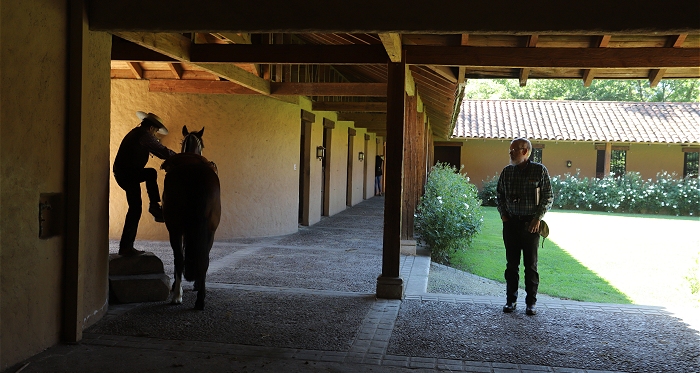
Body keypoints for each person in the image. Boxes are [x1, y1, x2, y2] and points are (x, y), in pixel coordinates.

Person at [496, 138, 553, 315]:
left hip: (531, 225)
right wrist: (504, 216)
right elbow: (499, 195)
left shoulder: (539, 170)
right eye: (510, 150)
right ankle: (510, 301)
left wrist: (538, 218)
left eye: (514, 150)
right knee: (511, 265)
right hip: (511, 223)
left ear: (525, 151)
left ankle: (531, 303)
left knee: (531, 265)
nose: (510, 153)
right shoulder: (507, 172)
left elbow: (548, 196)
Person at [113, 111, 176, 256]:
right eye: (156, 131)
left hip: (125, 173)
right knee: (135, 207)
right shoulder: (145, 136)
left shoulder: (136, 133)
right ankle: (126, 246)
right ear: (152, 128)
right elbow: (162, 151)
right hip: (128, 174)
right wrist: (181, 157)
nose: (155, 134)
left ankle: (126, 246)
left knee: (135, 207)